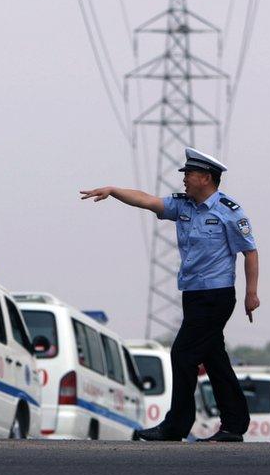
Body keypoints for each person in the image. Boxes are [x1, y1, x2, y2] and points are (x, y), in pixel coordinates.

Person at [80, 147, 260, 442]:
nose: (184, 179)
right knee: (214, 359)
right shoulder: (184, 206)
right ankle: (234, 424)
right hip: (192, 295)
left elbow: (250, 252)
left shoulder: (229, 212)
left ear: (206, 177)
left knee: (183, 354)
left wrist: (251, 294)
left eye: (189, 174)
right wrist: (113, 191)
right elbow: (147, 201)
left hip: (216, 296)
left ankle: (176, 426)